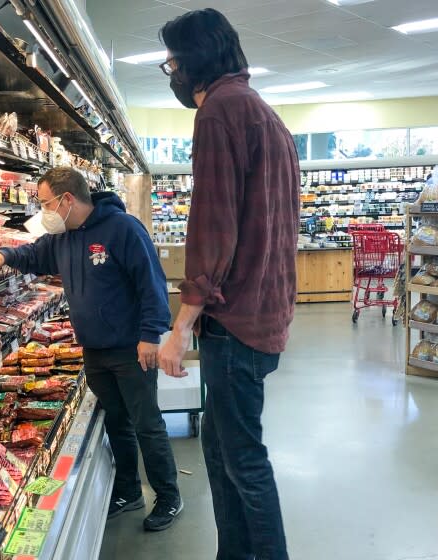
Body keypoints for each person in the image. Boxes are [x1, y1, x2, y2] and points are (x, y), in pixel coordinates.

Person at [156, 8, 300, 560]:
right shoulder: (264, 112)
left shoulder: (219, 112)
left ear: (191, 61)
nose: (171, 73)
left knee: (242, 457)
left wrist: (180, 326)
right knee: (218, 448)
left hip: (235, 321)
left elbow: (213, 227)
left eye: (172, 61)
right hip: (264, 311)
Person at [0, 167, 183, 531]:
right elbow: (36, 254)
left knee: (147, 424)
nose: (43, 211)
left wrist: (150, 336)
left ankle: (169, 496)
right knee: (117, 423)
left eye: (45, 203)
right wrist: (5, 255)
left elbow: (152, 284)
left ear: (67, 199)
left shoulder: (123, 229)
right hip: (93, 349)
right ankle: (128, 490)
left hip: (131, 349)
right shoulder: (63, 236)